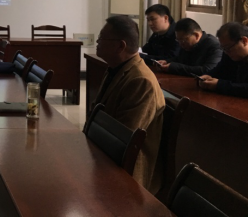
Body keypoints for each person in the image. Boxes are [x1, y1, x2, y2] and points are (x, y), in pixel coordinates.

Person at [93, 15, 165, 192]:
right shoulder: (116, 68)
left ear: (120, 46)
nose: (97, 43)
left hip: (125, 170)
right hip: (104, 153)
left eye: (101, 39)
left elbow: (123, 137)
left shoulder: (141, 80)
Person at [153, 18, 222, 76]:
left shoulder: (214, 46)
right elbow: (180, 59)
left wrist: (173, 67)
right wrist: (166, 62)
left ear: (196, 35)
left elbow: (207, 70)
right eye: (178, 40)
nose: (180, 44)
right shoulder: (187, 44)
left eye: (183, 40)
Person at [199, 22, 248, 98]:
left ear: (244, 41)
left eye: (228, 48)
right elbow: (220, 69)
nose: (226, 52)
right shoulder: (229, 53)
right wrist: (207, 76)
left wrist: (219, 85)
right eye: (223, 48)